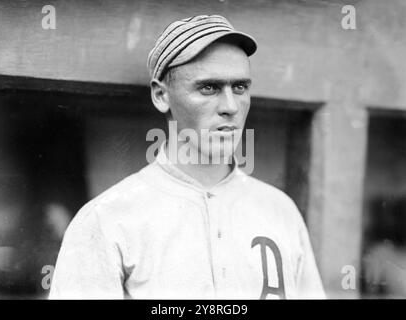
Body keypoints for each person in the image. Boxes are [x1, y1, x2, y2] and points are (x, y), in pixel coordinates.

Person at [49, 14, 325, 299]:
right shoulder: (106, 220)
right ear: (161, 96)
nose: (230, 106)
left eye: (240, 87)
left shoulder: (281, 212)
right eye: (209, 87)